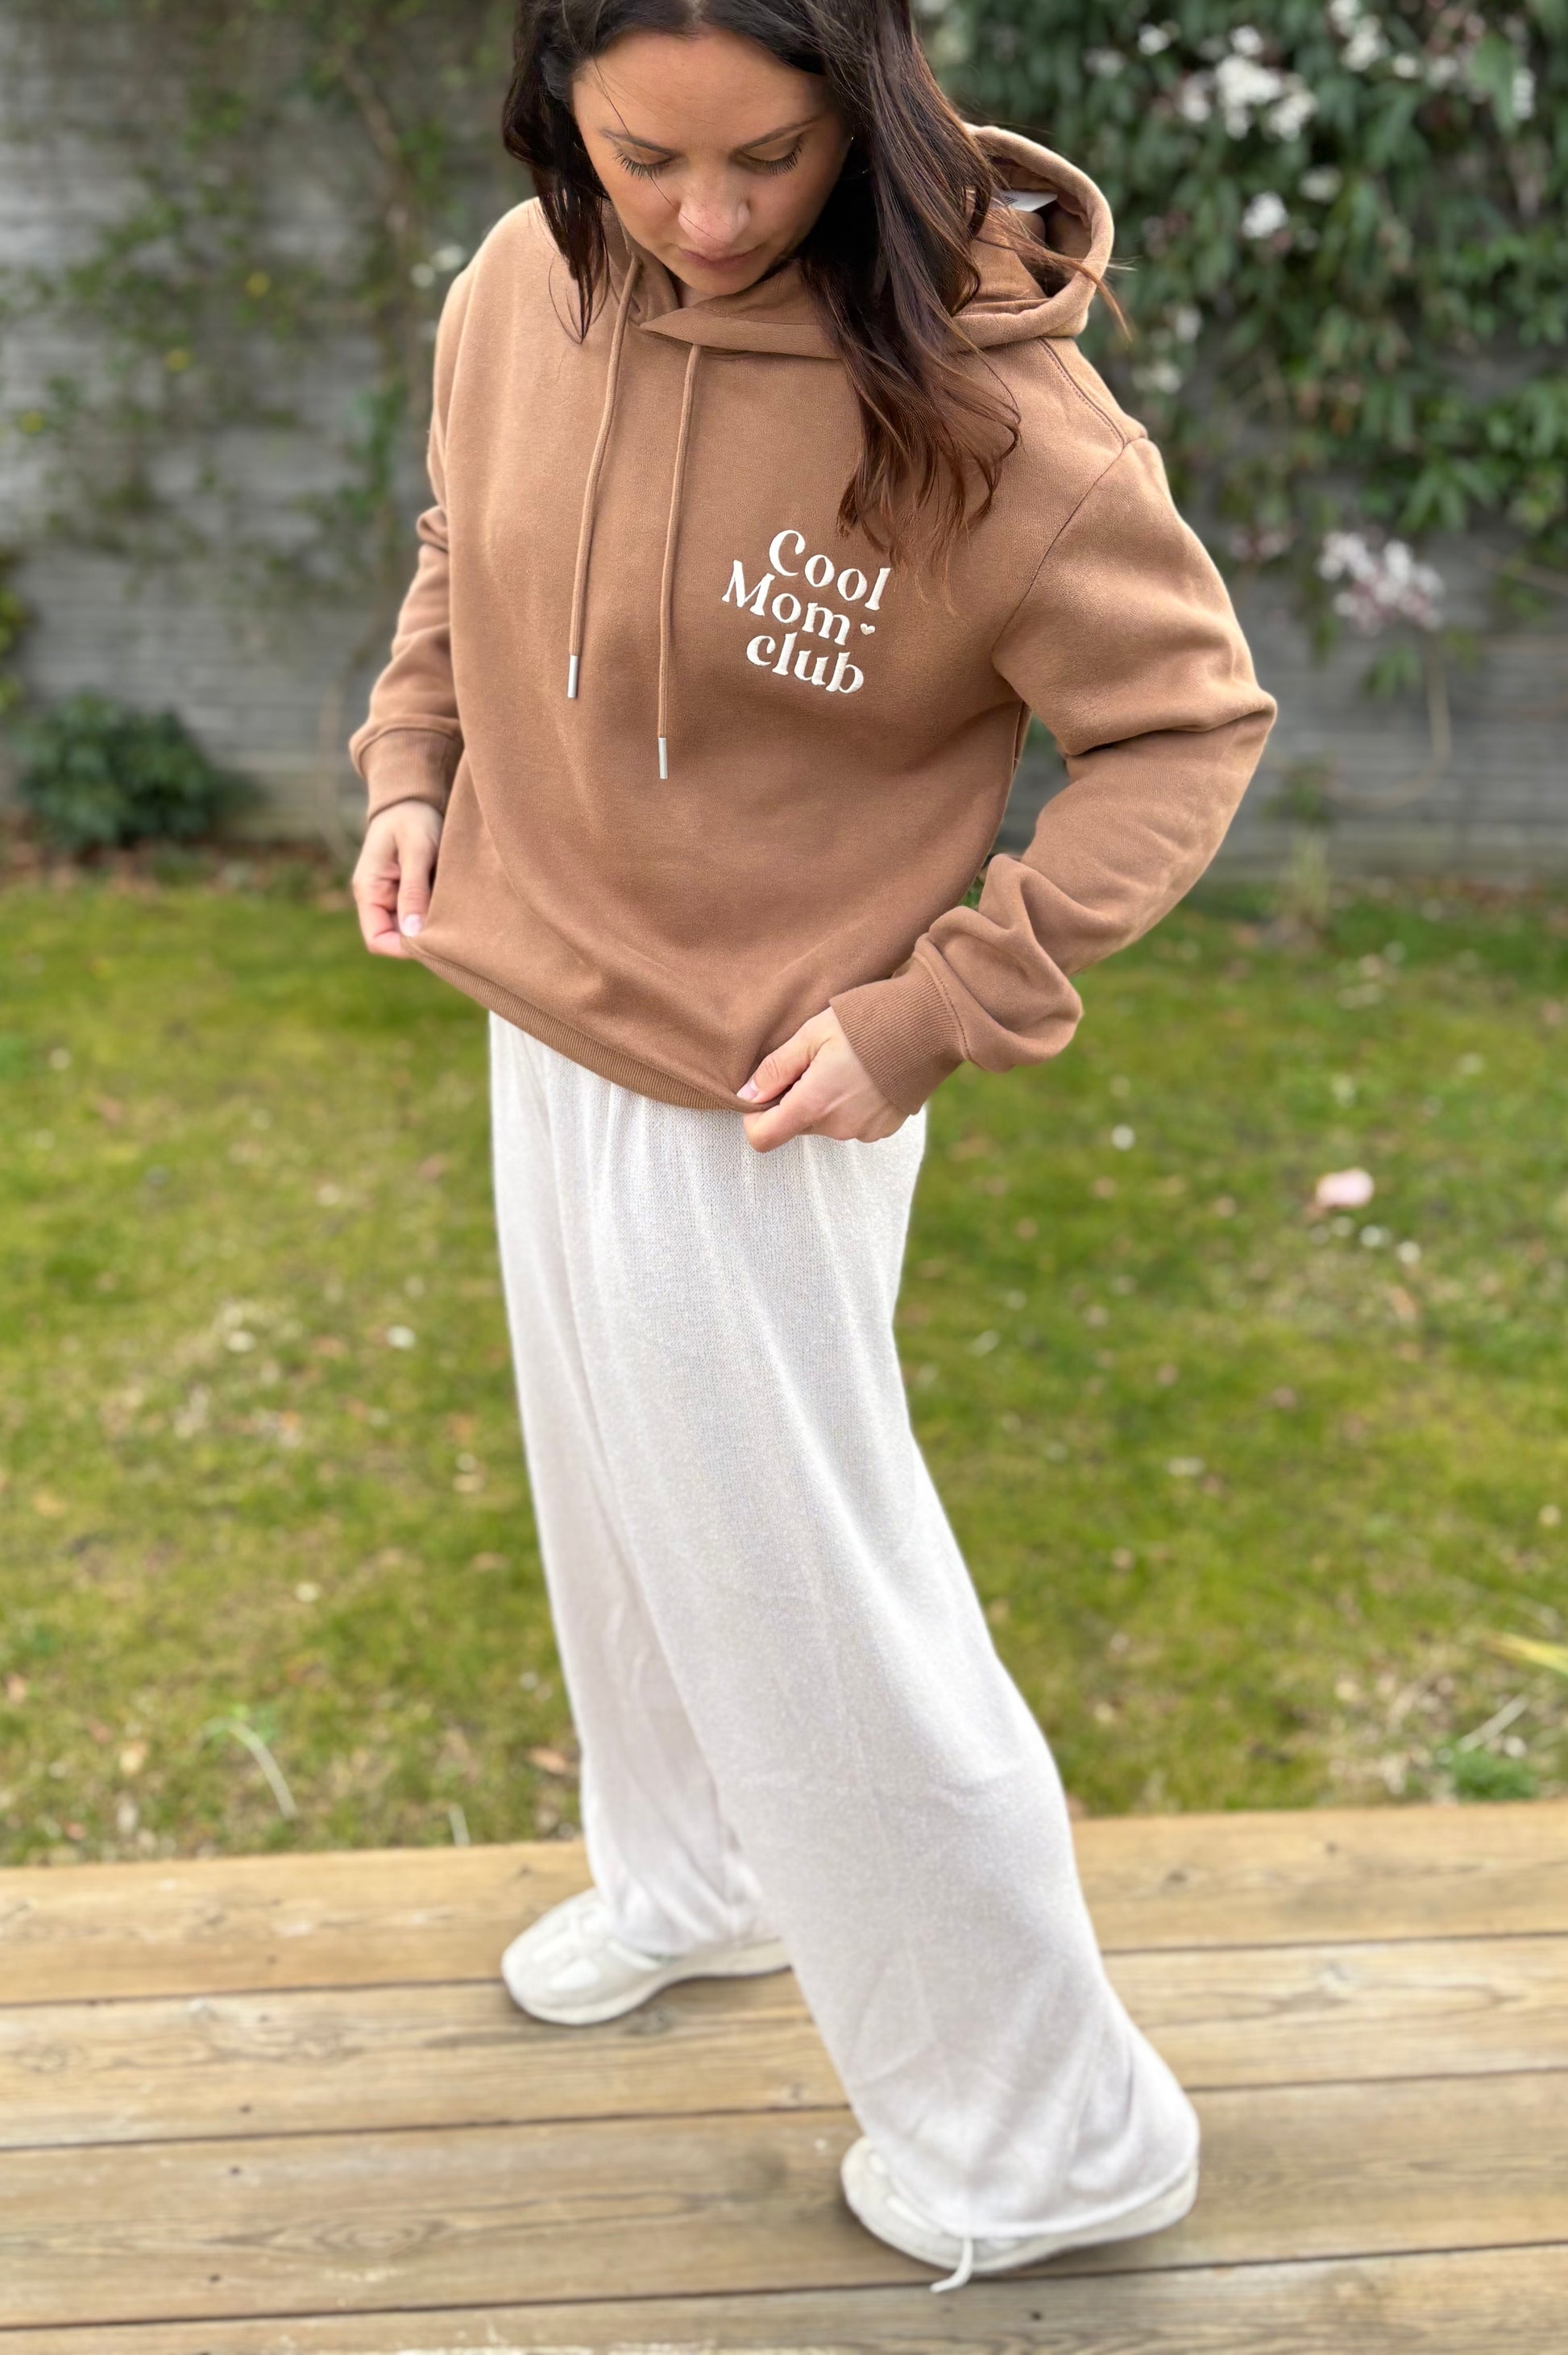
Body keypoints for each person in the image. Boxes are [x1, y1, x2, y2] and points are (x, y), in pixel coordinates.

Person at [348, 0, 1276, 2295]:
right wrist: (413, 763)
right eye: (639, 156)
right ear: (557, 118)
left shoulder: (1002, 420)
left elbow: (1184, 729)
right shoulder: (518, 281)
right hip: (540, 994)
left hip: (771, 1087)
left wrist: (942, 1005)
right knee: (614, 1511)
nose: (702, 217)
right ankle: (699, 1879)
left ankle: (1050, 2137)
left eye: (763, 158)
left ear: (863, 110)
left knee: (819, 1614)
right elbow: (467, 544)